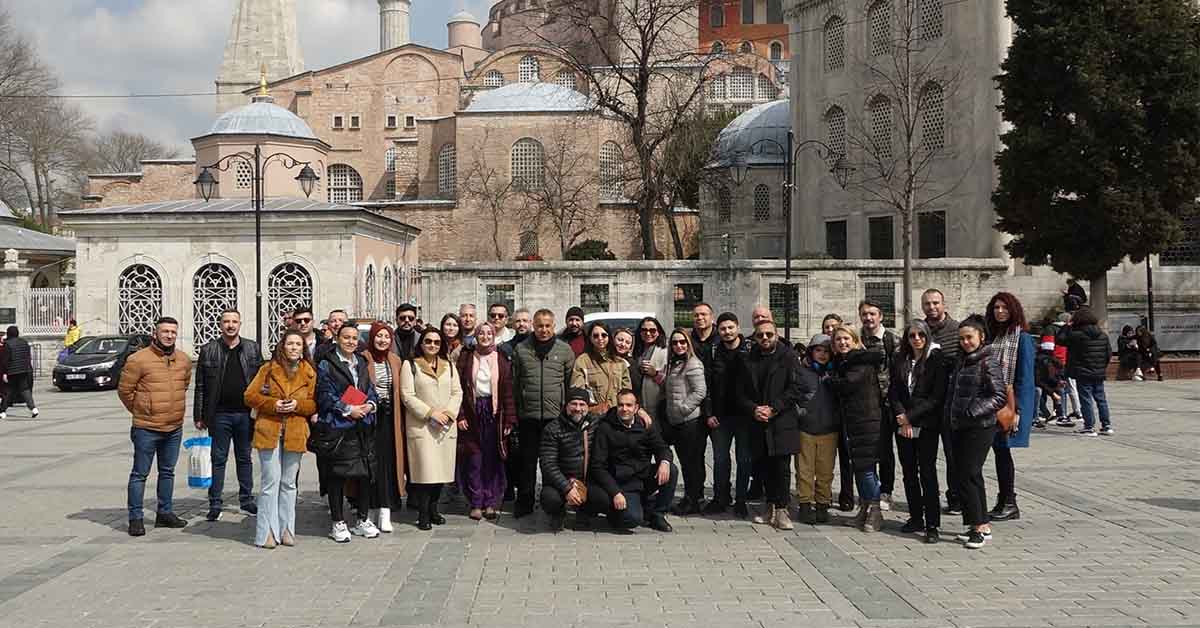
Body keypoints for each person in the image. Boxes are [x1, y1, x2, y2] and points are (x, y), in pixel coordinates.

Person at [118, 317, 193, 536]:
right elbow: (125, 391)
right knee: (140, 473)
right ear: (155, 333)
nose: (169, 335)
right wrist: (142, 409)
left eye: (173, 332)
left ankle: (165, 513)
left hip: (173, 427)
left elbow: (184, 385)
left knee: (167, 472)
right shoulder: (138, 359)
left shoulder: (184, 360)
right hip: (146, 428)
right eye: (165, 331)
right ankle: (135, 517)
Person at [244, 330, 316, 548]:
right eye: (290, 344)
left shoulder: (309, 373)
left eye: (298, 344)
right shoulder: (267, 369)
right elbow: (249, 396)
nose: (294, 348)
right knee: (270, 482)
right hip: (269, 429)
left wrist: (298, 406)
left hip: (295, 430)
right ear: (282, 346)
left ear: (303, 349)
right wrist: (273, 405)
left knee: (289, 483)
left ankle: (286, 529)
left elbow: (314, 404)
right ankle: (265, 532)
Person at [193, 308, 263, 521]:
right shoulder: (209, 350)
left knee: (244, 458)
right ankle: (215, 502)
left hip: (245, 414)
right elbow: (200, 385)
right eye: (226, 321)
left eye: (234, 321)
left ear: (240, 324)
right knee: (218, 458)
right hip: (219, 414)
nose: (230, 325)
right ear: (220, 325)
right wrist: (199, 414)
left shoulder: (251, 348)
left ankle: (246, 499)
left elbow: (261, 382)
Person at [315, 324, 380, 543]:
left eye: (354, 338)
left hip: (363, 425)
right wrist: (348, 409)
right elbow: (325, 395)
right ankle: (338, 522)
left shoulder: (361, 361)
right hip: (339, 427)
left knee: (364, 474)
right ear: (337, 338)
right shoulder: (326, 363)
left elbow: (369, 388)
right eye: (346, 338)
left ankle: (362, 519)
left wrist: (370, 404)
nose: (351, 342)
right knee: (337, 475)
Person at [737, 320, 805, 530]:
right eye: (760, 336)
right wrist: (754, 409)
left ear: (776, 335)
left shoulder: (789, 356)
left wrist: (774, 408)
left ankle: (782, 509)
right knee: (763, 466)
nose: (765, 339)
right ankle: (770, 507)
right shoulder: (748, 358)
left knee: (781, 467)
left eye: (769, 334)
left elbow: (795, 388)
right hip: (758, 421)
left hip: (782, 420)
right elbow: (740, 392)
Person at [947, 315, 1006, 549]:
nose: (965, 342)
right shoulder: (963, 360)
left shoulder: (988, 361)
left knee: (969, 473)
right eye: (961, 338)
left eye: (969, 337)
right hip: (960, 425)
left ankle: (979, 527)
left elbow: (998, 395)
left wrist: (974, 410)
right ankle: (979, 523)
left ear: (981, 337)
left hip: (979, 426)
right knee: (967, 475)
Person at [510, 309, 576, 518]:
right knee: (527, 462)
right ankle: (525, 501)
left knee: (552, 462)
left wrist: (565, 411)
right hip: (529, 416)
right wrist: (518, 412)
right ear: (533, 326)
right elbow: (515, 382)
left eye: (548, 326)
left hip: (554, 417)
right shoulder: (521, 349)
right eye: (540, 326)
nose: (544, 330)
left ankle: (552, 501)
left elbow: (569, 382)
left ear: (553, 325)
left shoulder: (564, 350)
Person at [888, 320, 947, 543]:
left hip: (926, 424)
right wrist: (901, 417)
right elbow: (894, 390)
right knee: (909, 472)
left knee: (927, 473)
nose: (917, 339)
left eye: (921, 335)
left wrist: (910, 417)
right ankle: (915, 517)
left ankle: (932, 523)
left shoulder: (936, 359)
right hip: (903, 424)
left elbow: (936, 396)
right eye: (912, 336)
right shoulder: (900, 359)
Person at [587, 389, 676, 533]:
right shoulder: (605, 428)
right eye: (621, 405)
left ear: (636, 408)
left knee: (671, 470)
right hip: (622, 483)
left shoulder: (645, 425)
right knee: (632, 519)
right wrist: (615, 492)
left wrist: (664, 462)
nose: (624, 409)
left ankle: (657, 514)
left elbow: (662, 448)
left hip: (642, 476)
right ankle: (619, 513)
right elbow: (598, 466)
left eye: (629, 405)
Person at [401, 326, 463, 530]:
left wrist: (448, 414)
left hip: (445, 426)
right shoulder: (410, 365)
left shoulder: (450, 366)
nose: (432, 345)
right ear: (421, 343)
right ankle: (423, 513)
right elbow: (407, 395)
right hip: (422, 425)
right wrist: (430, 413)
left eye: (437, 342)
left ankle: (434, 510)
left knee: (441, 473)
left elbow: (457, 392)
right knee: (425, 473)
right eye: (428, 341)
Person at [985, 292, 1037, 523]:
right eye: (996, 308)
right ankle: (1004, 499)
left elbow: (1026, 378)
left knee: (1003, 452)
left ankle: (1009, 501)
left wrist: (1019, 412)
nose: (1000, 312)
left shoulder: (1022, 338)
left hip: (1010, 405)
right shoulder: (993, 335)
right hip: (991, 403)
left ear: (1013, 310)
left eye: (1004, 308)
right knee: (998, 452)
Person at [456, 322, 517, 520]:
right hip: (473, 412)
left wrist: (509, 420)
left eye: (488, 333)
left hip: (494, 413)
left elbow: (508, 390)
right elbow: (458, 389)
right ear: (476, 336)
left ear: (493, 336)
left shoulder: (500, 358)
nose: (484, 336)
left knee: (492, 459)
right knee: (474, 459)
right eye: (481, 333)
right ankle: (475, 501)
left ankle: (491, 502)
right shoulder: (466, 358)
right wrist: (461, 415)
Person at [829, 325, 884, 533]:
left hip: (866, 421)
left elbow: (847, 384)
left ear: (854, 340)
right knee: (859, 468)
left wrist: (829, 380)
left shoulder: (860, 361)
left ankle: (876, 511)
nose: (842, 343)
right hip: (852, 422)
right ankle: (864, 509)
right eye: (838, 340)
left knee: (867, 469)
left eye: (846, 339)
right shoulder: (844, 362)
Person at [704, 312, 752, 517]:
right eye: (723, 329)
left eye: (730, 327)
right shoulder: (713, 351)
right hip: (720, 416)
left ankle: (741, 499)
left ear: (738, 327)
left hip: (745, 416)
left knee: (744, 459)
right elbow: (706, 384)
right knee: (720, 459)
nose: (727, 332)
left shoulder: (750, 350)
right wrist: (709, 413)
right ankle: (720, 497)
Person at [921, 288, 961, 514]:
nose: (932, 307)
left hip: (949, 402)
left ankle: (955, 497)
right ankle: (929, 498)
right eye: (927, 304)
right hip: (925, 405)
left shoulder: (957, 330)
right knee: (925, 458)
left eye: (936, 303)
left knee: (953, 454)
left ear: (943, 304)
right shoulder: (919, 330)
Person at [364, 322, 405, 532]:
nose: (382, 340)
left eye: (386, 336)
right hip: (369, 418)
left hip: (389, 419)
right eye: (379, 336)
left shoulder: (395, 360)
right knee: (371, 466)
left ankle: (385, 511)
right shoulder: (364, 358)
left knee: (388, 465)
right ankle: (368, 510)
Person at [662, 328, 708, 515]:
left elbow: (700, 391)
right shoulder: (674, 363)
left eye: (682, 342)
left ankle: (694, 500)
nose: (679, 345)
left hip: (690, 422)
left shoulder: (693, 364)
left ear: (688, 343)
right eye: (675, 342)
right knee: (687, 462)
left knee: (692, 463)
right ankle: (691, 497)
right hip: (678, 422)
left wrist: (682, 408)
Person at [859, 300, 898, 512]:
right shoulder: (858, 339)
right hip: (865, 404)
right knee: (868, 449)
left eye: (872, 314)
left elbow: (899, 372)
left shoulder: (892, 339)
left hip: (886, 404)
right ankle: (869, 491)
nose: (868, 318)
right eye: (864, 314)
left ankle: (886, 491)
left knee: (885, 450)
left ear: (880, 316)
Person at [794, 334, 838, 525]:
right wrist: (800, 412)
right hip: (806, 428)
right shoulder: (802, 372)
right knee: (804, 469)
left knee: (825, 470)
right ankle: (804, 503)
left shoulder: (835, 372)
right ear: (811, 352)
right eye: (818, 350)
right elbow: (794, 394)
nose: (822, 354)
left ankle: (822, 504)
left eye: (826, 351)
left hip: (829, 429)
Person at [539, 388, 597, 530]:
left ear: (588, 407)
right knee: (550, 499)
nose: (578, 408)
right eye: (574, 404)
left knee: (602, 498)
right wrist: (567, 488)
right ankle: (558, 513)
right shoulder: (552, 429)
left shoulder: (595, 423)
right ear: (566, 405)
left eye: (582, 404)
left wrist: (639, 411)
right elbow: (548, 464)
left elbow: (618, 414)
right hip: (561, 481)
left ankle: (585, 512)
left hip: (587, 480)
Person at [1056, 307, 1113, 437]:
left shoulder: (1076, 335)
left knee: (1086, 398)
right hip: (1098, 371)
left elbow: (1060, 339)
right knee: (1101, 399)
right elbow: (1108, 353)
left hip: (1082, 371)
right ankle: (1106, 425)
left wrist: (1067, 326)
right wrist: (1101, 366)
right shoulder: (1103, 335)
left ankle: (1089, 426)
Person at [820, 313, 851, 510]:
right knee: (826, 459)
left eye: (833, 327)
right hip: (827, 413)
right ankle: (824, 494)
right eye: (826, 327)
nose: (830, 330)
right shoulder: (821, 353)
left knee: (847, 458)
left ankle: (847, 495)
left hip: (846, 413)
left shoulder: (845, 355)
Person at [571, 321, 632, 414]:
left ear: (609, 337)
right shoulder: (582, 361)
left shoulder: (620, 363)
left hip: (617, 415)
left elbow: (627, 392)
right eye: (595, 336)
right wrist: (592, 409)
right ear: (590, 338)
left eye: (604, 335)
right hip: (594, 414)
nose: (600, 338)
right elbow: (578, 392)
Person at [631, 316, 669, 421]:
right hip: (639, 404)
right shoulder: (636, 350)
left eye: (652, 330)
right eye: (644, 330)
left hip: (658, 405)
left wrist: (655, 374)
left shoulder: (665, 351)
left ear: (659, 332)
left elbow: (672, 382)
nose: (648, 333)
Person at [0, 326, 36, 420]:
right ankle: (33, 408)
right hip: (24, 370)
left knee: (8, 391)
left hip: (12, 371)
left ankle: (2, 411)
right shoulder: (24, 342)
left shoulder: (7, 344)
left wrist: (4, 373)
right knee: (25, 390)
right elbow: (28, 357)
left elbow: (5, 360)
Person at [1035, 337, 1067, 427]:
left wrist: (1060, 381)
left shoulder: (1055, 363)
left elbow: (1057, 376)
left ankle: (1060, 415)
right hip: (1040, 384)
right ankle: (1044, 414)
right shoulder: (1040, 362)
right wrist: (1052, 393)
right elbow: (1039, 380)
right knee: (1038, 392)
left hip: (1048, 383)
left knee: (1060, 391)